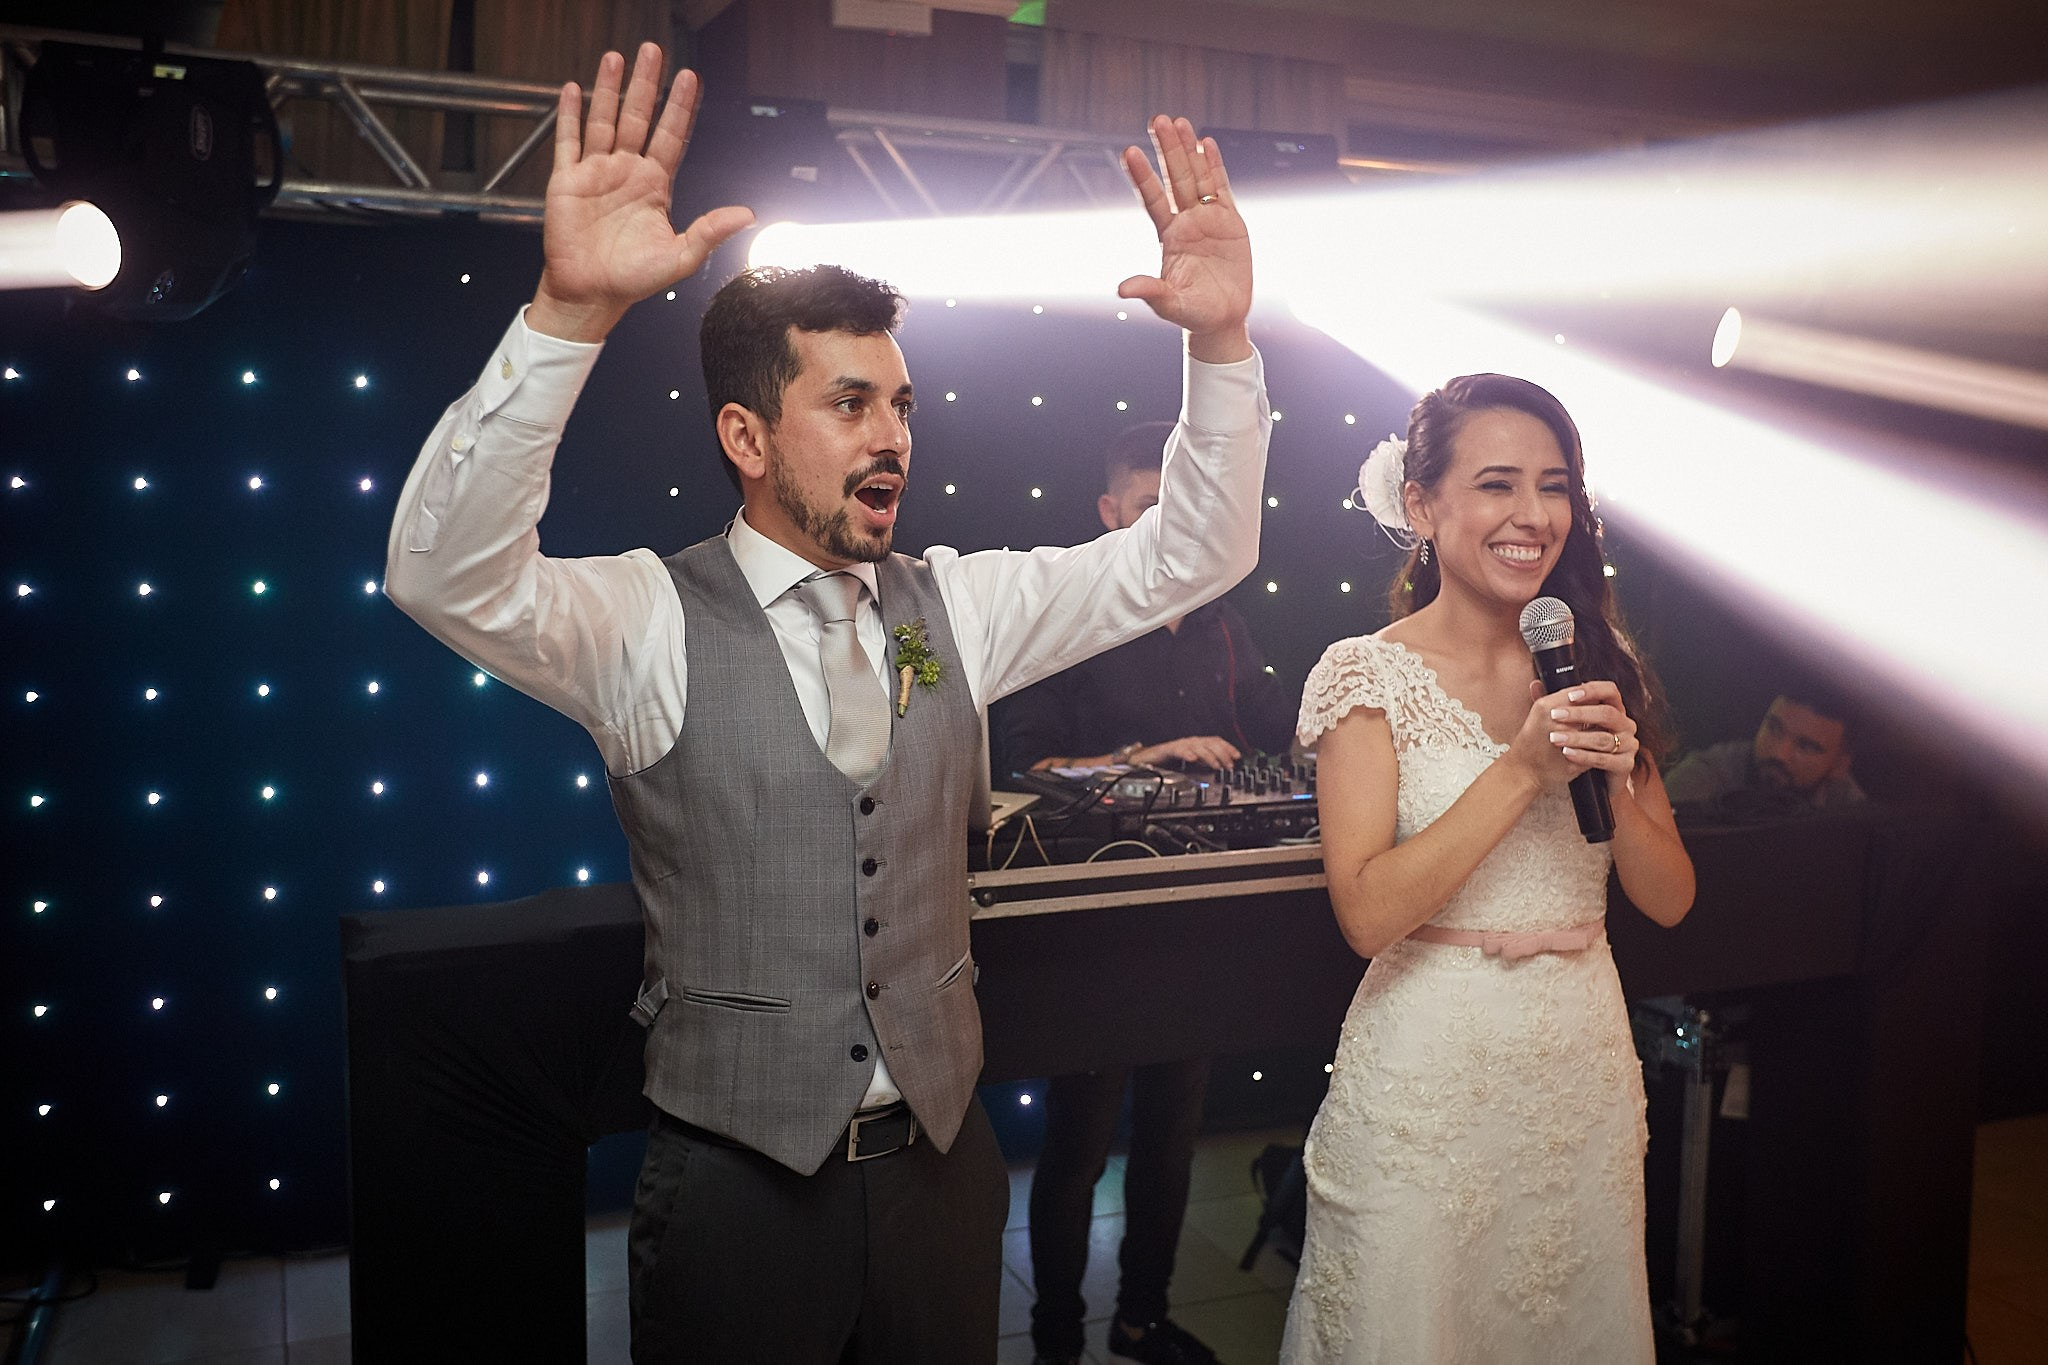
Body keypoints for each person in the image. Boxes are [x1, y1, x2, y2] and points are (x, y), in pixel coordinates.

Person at [382, 43, 1270, 1365]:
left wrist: (1219, 342)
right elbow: (439, 574)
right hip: (737, 1191)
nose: (892, 438)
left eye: (899, 404)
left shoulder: (954, 605)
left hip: (945, 1176)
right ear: (746, 437)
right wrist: (565, 316)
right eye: (848, 403)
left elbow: (1194, 553)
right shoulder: (643, 621)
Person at [1277, 375, 1695, 1363]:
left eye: (1552, 488)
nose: (1530, 516)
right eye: (1496, 484)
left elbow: (1667, 901)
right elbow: (1365, 916)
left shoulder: (1594, 660)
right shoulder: (1362, 673)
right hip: (1429, 1075)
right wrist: (1520, 769)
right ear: (1422, 506)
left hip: (1576, 1068)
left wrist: (1618, 773)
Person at [990, 422, 1296, 1365]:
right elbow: (1018, 765)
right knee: (1079, 1147)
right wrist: (1142, 759)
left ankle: (1141, 1319)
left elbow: (1276, 741)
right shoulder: (1072, 622)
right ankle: (1053, 1340)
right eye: (1152, 505)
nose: (1171, 524)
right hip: (1097, 931)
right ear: (1110, 513)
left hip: (1195, 926)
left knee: (1173, 1137)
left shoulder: (1223, 627)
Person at [1664, 689, 1865, 814]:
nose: (1779, 754)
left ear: (1839, 766)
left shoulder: (1849, 810)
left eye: (1806, 746)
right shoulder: (1705, 778)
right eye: (1774, 729)